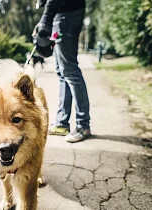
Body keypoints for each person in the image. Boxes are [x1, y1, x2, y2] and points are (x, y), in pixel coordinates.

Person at [35, 0, 91, 142]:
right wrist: (46, 19)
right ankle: (62, 123)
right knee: (62, 72)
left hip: (66, 15)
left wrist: (45, 18)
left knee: (70, 71)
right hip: (62, 14)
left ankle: (83, 125)